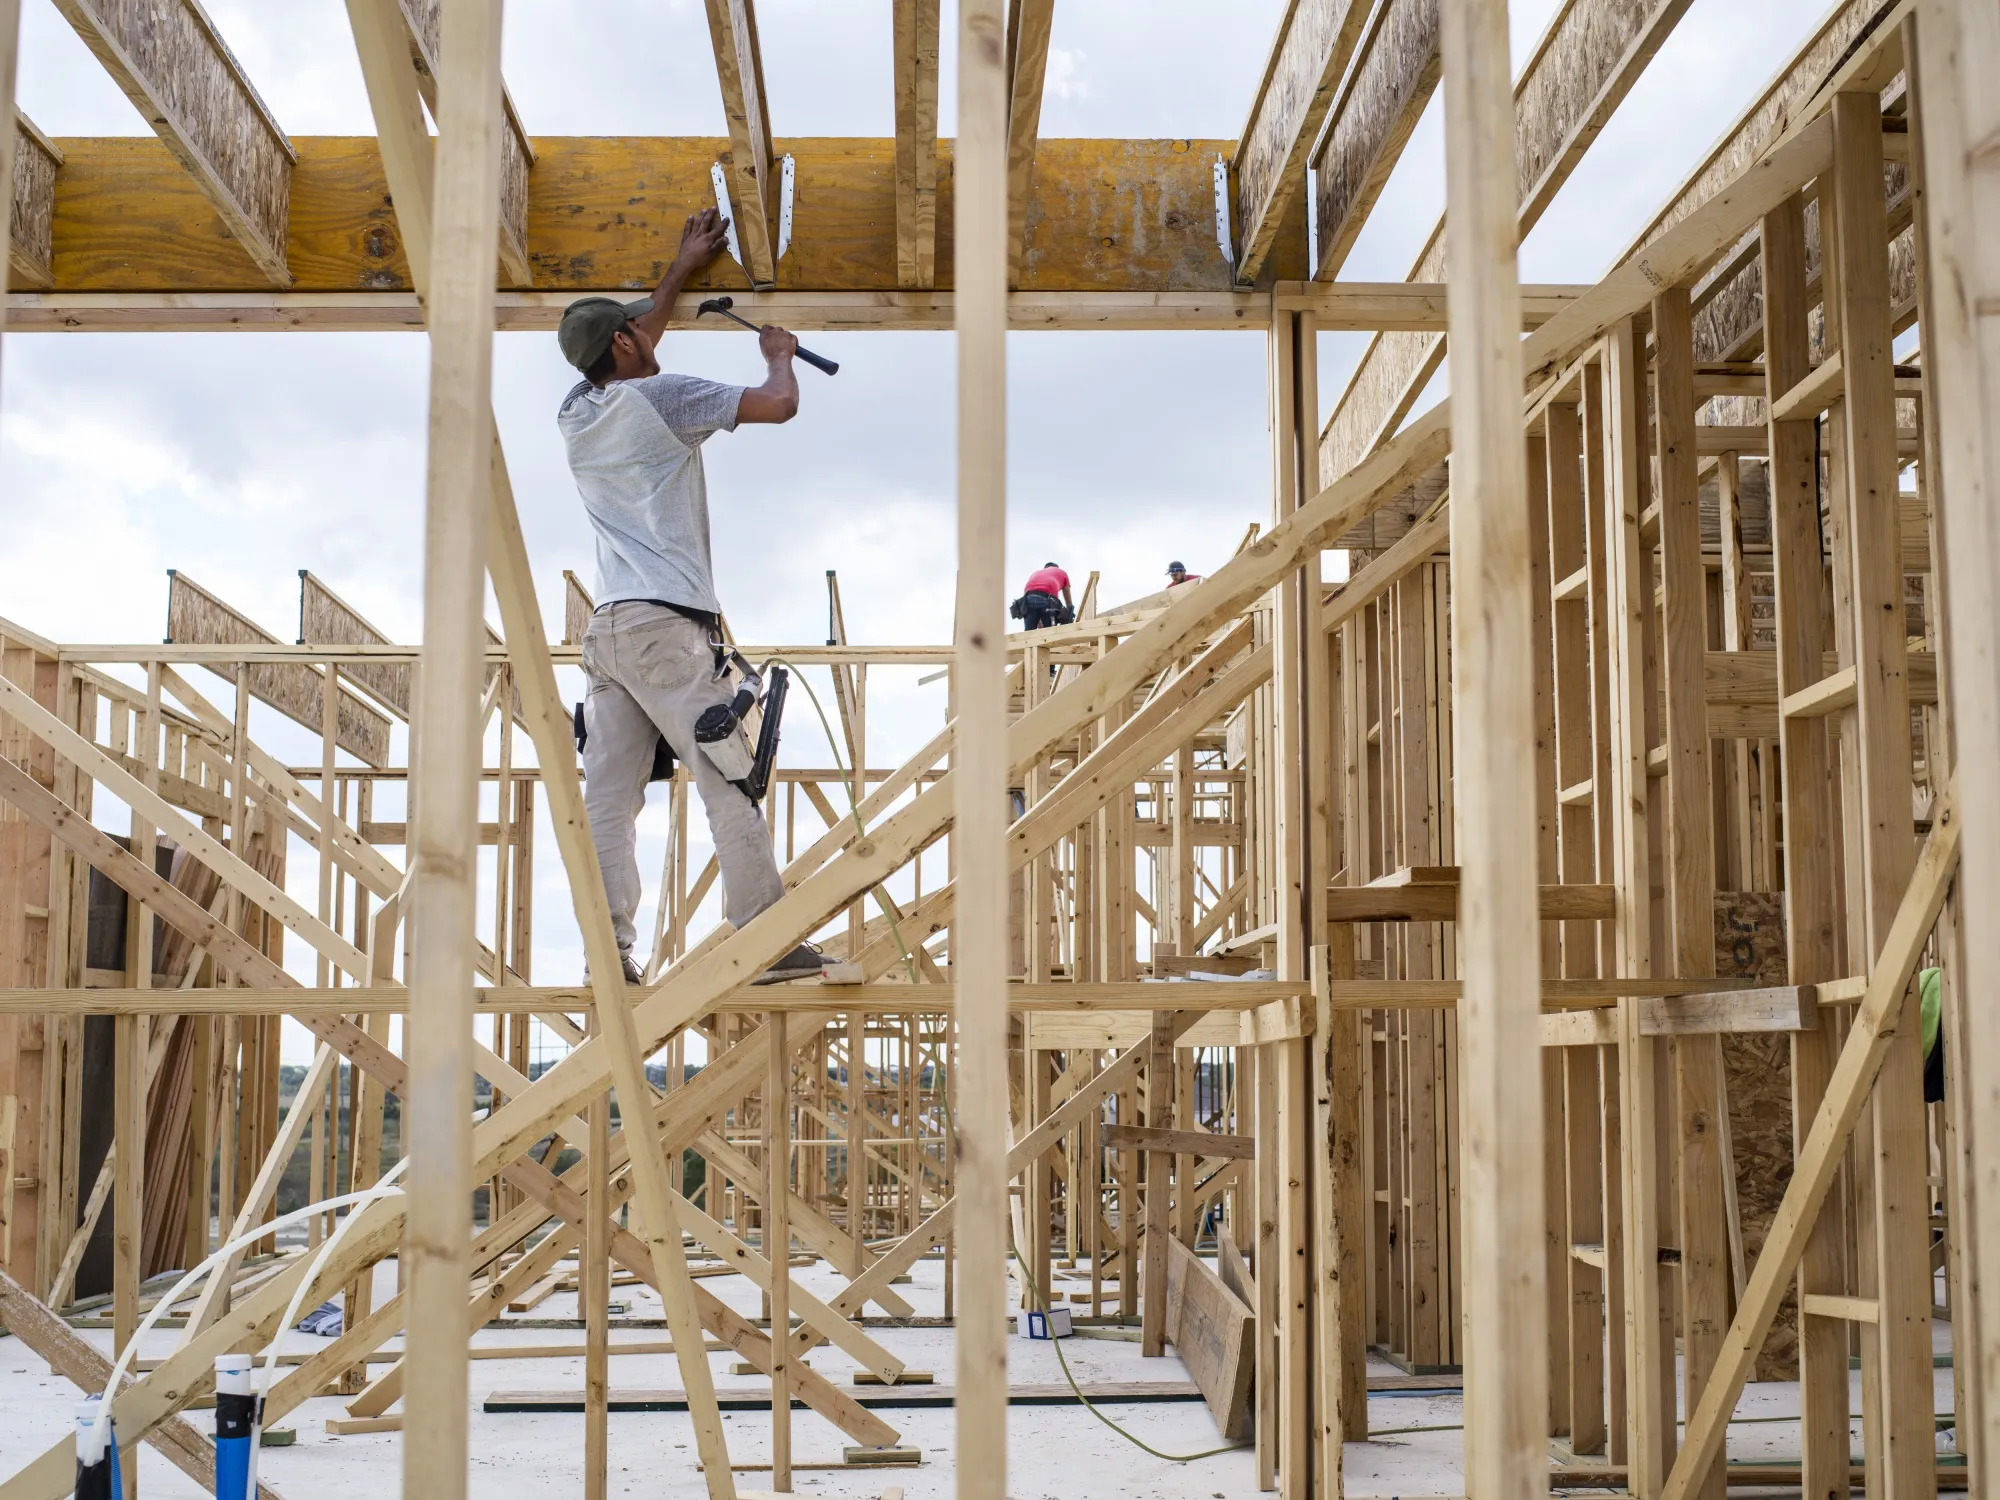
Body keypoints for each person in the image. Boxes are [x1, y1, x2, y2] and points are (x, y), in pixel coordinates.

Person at [557, 206, 828, 986]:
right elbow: (778, 405)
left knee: (609, 801)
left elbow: (635, 333)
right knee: (725, 769)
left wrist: (680, 267)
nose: (652, 331)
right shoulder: (667, 397)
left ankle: (608, 959)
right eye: (640, 330)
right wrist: (780, 357)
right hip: (665, 627)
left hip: (607, 633)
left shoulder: (577, 412)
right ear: (625, 344)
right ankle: (767, 941)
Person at [1014, 561, 1074, 630]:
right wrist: (1070, 611)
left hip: (1028, 599)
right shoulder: (1061, 572)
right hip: (1047, 599)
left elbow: (1027, 593)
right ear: (1056, 568)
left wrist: (1038, 619)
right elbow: (1067, 592)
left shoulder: (1035, 573)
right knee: (1050, 632)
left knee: (1029, 634)